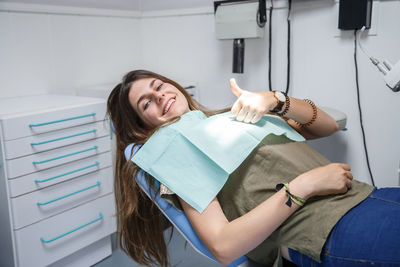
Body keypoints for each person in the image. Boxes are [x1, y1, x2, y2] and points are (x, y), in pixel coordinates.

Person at [107, 69, 400, 267]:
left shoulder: (229, 116)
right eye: (146, 103)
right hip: (325, 230)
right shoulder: (173, 149)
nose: (159, 96)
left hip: (365, 196)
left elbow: (326, 126)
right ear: (142, 128)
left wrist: (274, 99)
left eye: (158, 86)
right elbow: (223, 245)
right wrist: (303, 187)